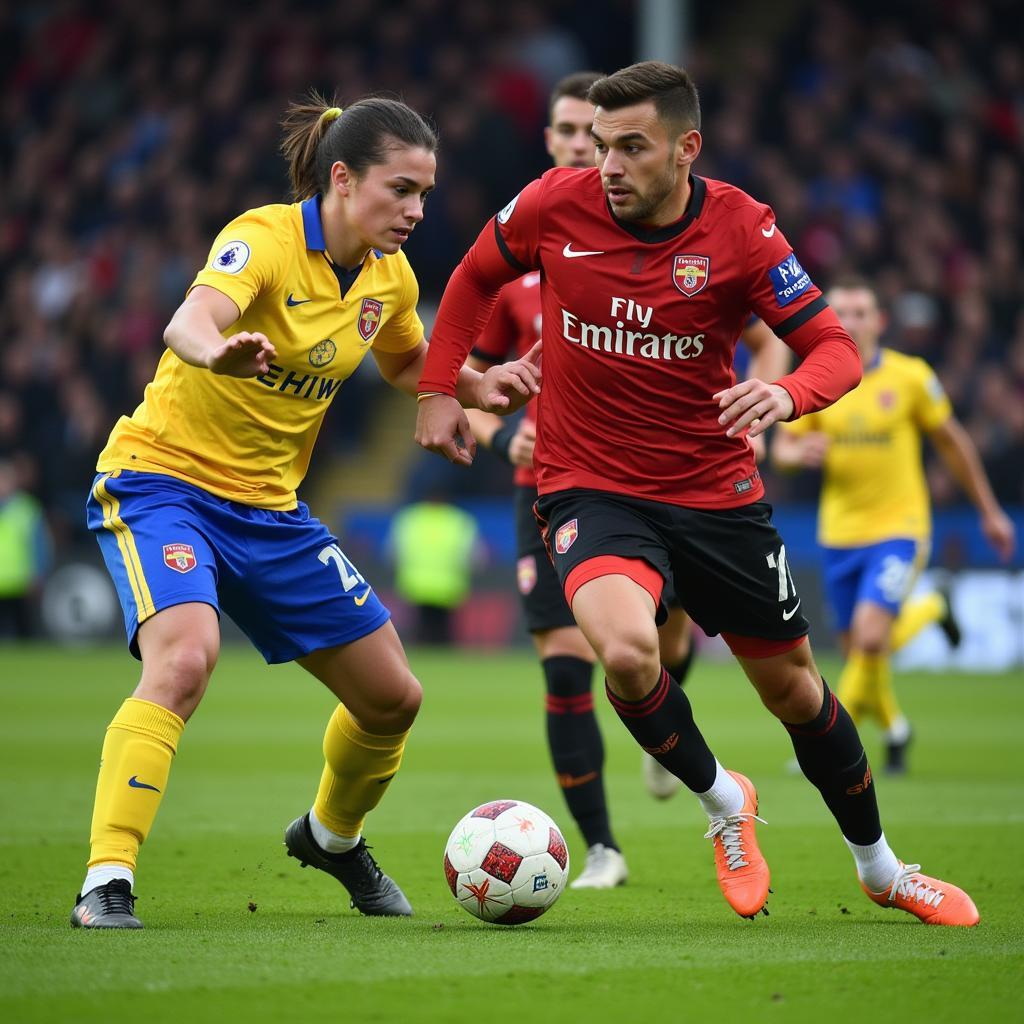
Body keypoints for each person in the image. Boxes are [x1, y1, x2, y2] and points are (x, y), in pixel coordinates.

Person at [415, 61, 980, 926]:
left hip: (716, 495)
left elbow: (833, 347)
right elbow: (468, 279)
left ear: (687, 149)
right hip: (590, 487)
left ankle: (882, 868)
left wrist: (788, 394)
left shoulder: (743, 231)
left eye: (631, 147)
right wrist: (436, 388)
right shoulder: (550, 206)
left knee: (795, 692)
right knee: (629, 654)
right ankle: (724, 802)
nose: (607, 165)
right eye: (601, 146)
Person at [70, 93, 540, 929]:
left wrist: (473, 383)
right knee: (183, 662)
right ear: (342, 178)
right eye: (400, 189)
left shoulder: (390, 278)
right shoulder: (264, 238)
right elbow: (192, 317)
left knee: (395, 698)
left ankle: (330, 837)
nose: (415, 210)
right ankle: (107, 880)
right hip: (163, 483)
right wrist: (220, 348)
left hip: (271, 512)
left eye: (424, 193)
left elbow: (405, 363)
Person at [464, 72, 794, 888]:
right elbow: (473, 388)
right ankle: (603, 846)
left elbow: (771, 334)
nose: (589, 150)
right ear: (551, 142)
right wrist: (502, 427)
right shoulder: (521, 264)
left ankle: (674, 747)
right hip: (556, 491)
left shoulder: (687, 240)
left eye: (603, 137)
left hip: (672, 482)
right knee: (570, 662)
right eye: (574, 133)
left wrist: (765, 408)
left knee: (662, 647)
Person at [772, 276, 1016, 773]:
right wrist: (799, 453)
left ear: (879, 321)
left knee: (868, 639)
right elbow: (782, 449)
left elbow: (952, 442)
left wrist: (989, 510)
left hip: (900, 528)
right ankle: (899, 720)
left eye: (861, 312)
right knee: (864, 653)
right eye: (840, 312)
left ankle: (826, 745)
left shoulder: (910, 377)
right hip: (840, 534)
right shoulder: (819, 378)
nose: (851, 321)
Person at [388, 485, 482, 645]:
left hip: (416, 584)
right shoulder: (459, 520)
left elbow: (393, 551)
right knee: (443, 632)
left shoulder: (410, 518)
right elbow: (474, 556)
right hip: (448, 586)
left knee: (421, 630)